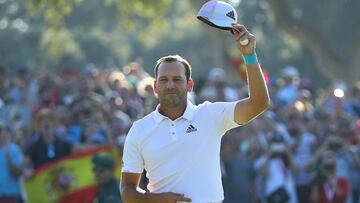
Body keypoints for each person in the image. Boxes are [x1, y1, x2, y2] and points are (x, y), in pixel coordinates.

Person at [120, 23, 270, 203]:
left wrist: (249, 56)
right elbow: (127, 191)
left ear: (189, 85)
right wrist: (156, 199)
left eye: (177, 79)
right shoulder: (139, 130)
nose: (170, 85)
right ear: (155, 87)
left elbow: (258, 103)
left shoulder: (210, 115)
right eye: (164, 80)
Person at [0, 122, 23, 203]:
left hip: (11, 197)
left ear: (5, 132)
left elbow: (17, 173)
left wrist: (8, 157)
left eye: (1, 131)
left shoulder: (14, 150)